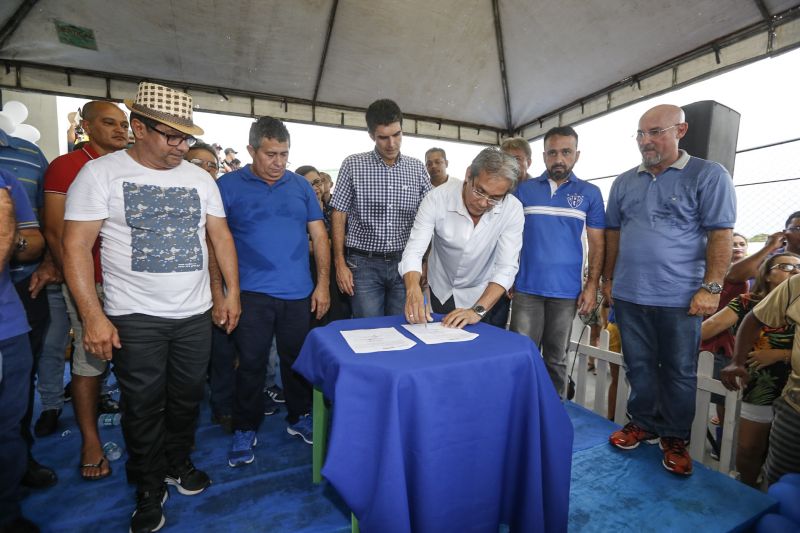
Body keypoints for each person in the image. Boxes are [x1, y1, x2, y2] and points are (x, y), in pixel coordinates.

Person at [63, 82, 240, 533]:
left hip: (195, 313)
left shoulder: (200, 178)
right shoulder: (102, 174)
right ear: (138, 128)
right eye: (171, 136)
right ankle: (146, 484)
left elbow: (219, 237)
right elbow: (76, 248)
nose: (182, 146)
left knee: (186, 400)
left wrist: (229, 293)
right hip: (134, 316)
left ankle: (176, 463)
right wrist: (92, 316)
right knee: (142, 405)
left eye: (186, 137)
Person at [603, 104, 736, 476]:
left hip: (680, 298)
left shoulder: (708, 175)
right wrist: (609, 280)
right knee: (638, 366)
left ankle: (675, 437)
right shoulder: (624, 181)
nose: (647, 141)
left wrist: (711, 287)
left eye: (656, 132)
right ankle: (642, 423)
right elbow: (613, 234)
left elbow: (721, 234)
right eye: (641, 134)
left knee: (679, 370)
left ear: (681, 130)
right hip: (630, 295)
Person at [216, 117, 329, 468]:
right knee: (250, 363)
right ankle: (245, 426)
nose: (278, 162)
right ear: (251, 150)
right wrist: (223, 294)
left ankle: (298, 417)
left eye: (284, 154)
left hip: (297, 292)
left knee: (296, 361)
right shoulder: (228, 186)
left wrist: (322, 283)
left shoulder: (300, 186)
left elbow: (320, 236)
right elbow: (214, 241)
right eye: (270, 154)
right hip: (250, 293)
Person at [41, 101, 129, 480]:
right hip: (89, 281)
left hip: (127, 282)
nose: (120, 130)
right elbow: (57, 232)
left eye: (124, 124)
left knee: (134, 360)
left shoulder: (129, 168)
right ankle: (90, 441)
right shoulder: (66, 166)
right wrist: (82, 293)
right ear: (87, 126)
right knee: (90, 360)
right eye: (109, 123)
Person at [510, 126, 605, 396]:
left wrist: (591, 285)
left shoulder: (591, 193)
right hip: (526, 288)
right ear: (543, 156)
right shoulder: (524, 191)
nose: (559, 158)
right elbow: (509, 238)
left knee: (556, 360)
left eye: (566, 152)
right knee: (522, 358)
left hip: (566, 292)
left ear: (577, 155)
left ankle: (554, 416)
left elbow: (598, 243)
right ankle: (522, 414)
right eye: (552, 153)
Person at [401, 147, 523, 328]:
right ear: (468, 175)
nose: (483, 203)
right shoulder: (437, 198)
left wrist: (477, 311)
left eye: (495, 198)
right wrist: (413, 289)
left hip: (483, 293)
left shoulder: (512, 209)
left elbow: (506, 267)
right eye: (479, 191)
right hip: (441, 288)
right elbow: (414, 251)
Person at [703, 252, 798, 486]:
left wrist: (781, 354)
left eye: (798, 266)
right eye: (786, 266)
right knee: (749, 448)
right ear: (766, 274)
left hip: (792, 388)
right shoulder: (747, 303)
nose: (794, 270)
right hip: (760, 387)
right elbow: (708, 328)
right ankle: (749, 488)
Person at [330, 99, 431, 318]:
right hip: (363, 265)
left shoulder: (416, 168)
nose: (392, 143)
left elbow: (430, 218)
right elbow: (339, 213)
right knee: (369, 332)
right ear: (371, 135)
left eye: (397, 135)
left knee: (404, 325)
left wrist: (425, 261)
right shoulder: (353, 165)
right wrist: (339, 264)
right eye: (383, 137)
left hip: (405, 264)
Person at [0, 118, 59, 490]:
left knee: (12, 407)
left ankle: (18, 468)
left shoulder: (20, 164)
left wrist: (10, 240)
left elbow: (40, 231)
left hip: (19, 294)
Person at [0, 171, 41, 533]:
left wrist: (10, 237)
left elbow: (33, 240)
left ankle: (7, 513)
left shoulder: (5, 179)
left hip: (8, 327)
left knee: (8, 429)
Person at [727, 212, 800, 283]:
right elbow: (733, 276)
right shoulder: (771, 258)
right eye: (798, 228)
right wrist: (769, 247)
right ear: (785, 233)